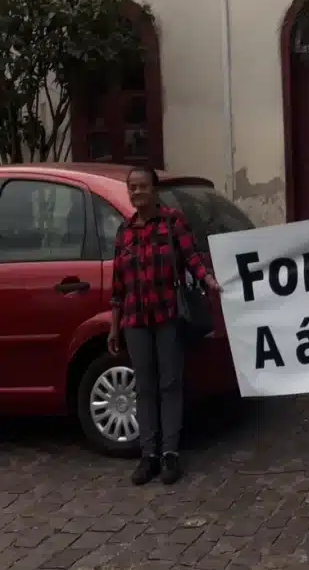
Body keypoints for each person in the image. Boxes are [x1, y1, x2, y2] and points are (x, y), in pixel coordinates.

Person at [107, 166, 220, 486]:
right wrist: (115, 327)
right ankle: (149, 455)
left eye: (142, 187)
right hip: (134, 320)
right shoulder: (125, 232)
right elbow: (118, 286)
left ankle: (170, 453)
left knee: (170, 384)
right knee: (144, 387)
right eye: (133, 188)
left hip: (168, 315)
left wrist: (209, 280)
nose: (137, 192)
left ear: (154, 190)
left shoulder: (173, 222)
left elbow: (192, 258)